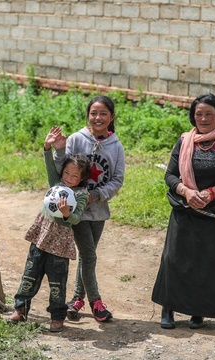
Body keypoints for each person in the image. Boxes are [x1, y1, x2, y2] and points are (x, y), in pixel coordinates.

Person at [151, 93, 215, 329]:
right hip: (185, 209)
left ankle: (198, 312)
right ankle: (168, 309)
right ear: (193, 117)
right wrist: (186, 191)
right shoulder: (184, 142)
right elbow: (170, 175)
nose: (203, 118)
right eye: (199, 114)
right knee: (174, 259)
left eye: (209, 114)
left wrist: (213, 191)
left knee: (206, 263)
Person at [9, 126, 90, 332]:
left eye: (74, 176)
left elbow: (76, 218)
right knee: (30, 274)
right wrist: (47, 146)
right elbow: (48, 165)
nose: (68, 178)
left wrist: (65, 213)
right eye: (66, 173)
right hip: (41, 237)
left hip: (60, 246)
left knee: (57, 283)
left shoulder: (80, 195)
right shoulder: (56, 184)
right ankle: (20, 309)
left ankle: (57, 316)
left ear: (81, 179)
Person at [53, 95, 125, 322]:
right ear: (88, 115)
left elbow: (117, 179)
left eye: (103, 113)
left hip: (99, 211)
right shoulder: (76, 139)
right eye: (94, 113)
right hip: (77, 212)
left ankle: (76, 300)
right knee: (89, 256)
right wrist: (57, 149)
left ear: (111, 117)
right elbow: (61, 167)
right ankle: (96, 302)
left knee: (87, 256)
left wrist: (96, 195)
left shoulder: (116, 147)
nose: (98, 118)